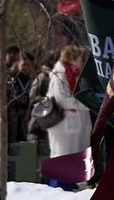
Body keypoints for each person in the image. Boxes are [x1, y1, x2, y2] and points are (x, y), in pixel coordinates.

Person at [37, 45, 94, 191]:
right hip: (65, 124)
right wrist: (87, 103)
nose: (82, 62)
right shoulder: (60, 75)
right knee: (63, 155)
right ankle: (60, 185)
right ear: (72, 59)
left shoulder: (75, 74)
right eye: (80, 59)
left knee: (75, 154)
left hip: (77, 123)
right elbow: (64, 99)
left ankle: (72, 182)